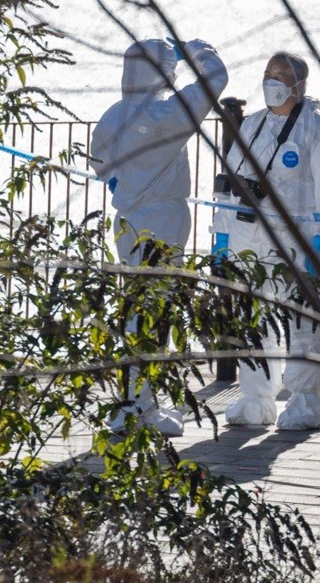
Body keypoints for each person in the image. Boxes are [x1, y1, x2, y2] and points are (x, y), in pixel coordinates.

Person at [89, 37, 228, 437]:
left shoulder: (115, 114)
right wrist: (196, 49)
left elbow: (98, 161)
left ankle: (134, 400)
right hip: (163, 220)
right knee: (154, 313)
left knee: (134, 307)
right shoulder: (168, 114)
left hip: (127, 219)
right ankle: (141, 406)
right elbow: (216, 79)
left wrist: (119, 182)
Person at [210, 51, 320, 430]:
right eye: (268, 73)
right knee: (254, 320)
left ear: (299, 82)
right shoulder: (251, 126)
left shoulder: (319, 131)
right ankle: (256, 399)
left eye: (281, 74)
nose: (272, 81)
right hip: (248, 240)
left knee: (301, 320)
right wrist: (221, 239)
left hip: (295, 243)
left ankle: (305, 401)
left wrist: (319, 245)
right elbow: (229, 186)